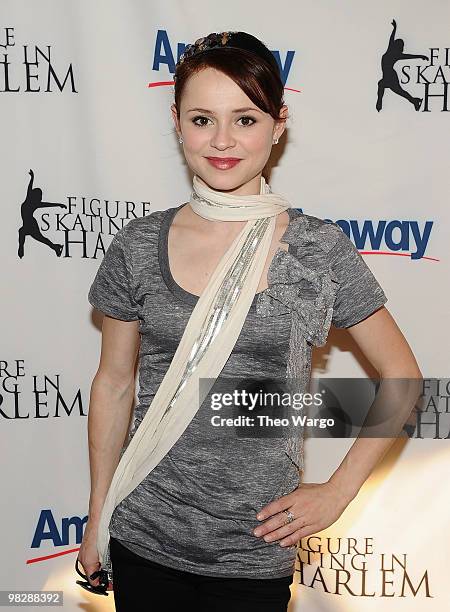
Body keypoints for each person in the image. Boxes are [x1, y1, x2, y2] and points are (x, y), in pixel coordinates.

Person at [77, 31, 422, 611]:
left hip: (253, 553)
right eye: (202, 119)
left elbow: (403, 380)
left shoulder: (316, 249)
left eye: (245, 119)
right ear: (177, 121)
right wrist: (97, 516)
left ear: (278, 123)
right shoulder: (138, 244)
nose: (222, 141)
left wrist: (337, 492)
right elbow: (114, 383)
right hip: (143, 536)